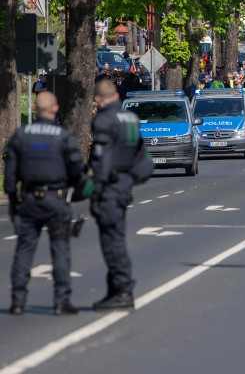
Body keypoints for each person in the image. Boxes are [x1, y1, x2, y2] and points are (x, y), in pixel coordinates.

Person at [4, 92, 88, 315]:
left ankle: (17, 301)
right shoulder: (63, 137)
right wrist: (75, 192)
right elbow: (77, 172)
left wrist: (14, 202)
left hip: (29, 199)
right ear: (55, 109)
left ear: (34, 109)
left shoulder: (21, 136)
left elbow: (10, 176)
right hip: (57, 199)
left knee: (24, 250)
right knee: (60, 249)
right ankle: (61, 301)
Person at [89, 79, 152, 311]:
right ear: (116, 96)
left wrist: (97, 189)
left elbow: (101, 158)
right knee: (115, 237)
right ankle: (114, 290)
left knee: (111, 242)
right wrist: (132, 179)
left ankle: (123, 290)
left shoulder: (104, 120)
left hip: (110, 187)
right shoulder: (131, 118)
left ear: (98, 99)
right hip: (124, 184)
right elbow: (142, 158)